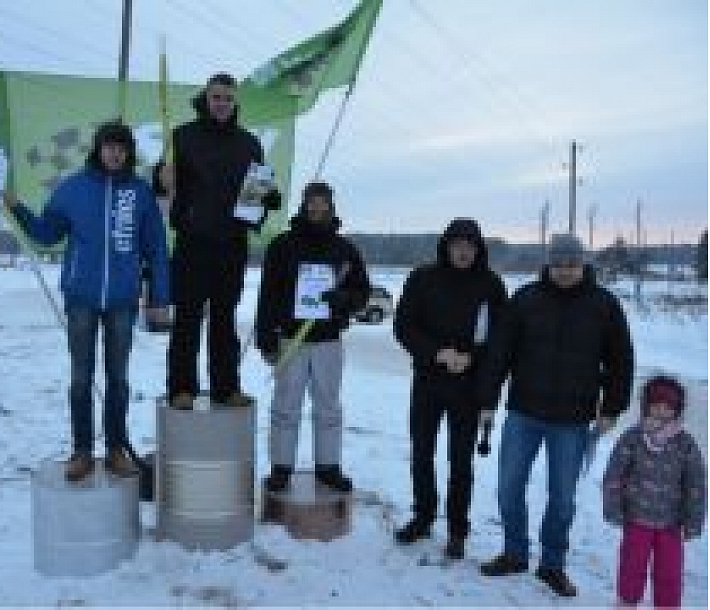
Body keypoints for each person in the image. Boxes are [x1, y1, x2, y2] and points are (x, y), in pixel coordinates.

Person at [3, 121, 171, 482]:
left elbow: (157, 247)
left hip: (123, 300)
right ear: (98, 149)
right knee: (80, 378)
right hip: (81, 297)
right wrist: (17, 208)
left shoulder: (139, 193)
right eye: (109, 146)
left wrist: (160, 295)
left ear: (128, 152)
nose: (115, 153)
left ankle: (115, 450)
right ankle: (81, 451)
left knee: (118, 379)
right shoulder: (73, 188)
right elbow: (46, 233)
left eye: (122, 148)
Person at [477, 233, 634, 597]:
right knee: (508, 488)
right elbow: (499, 353)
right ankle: (514, 553)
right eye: (558, 264)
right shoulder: (525, 299)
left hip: (573, 421)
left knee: (562, 498)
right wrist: (487, 399)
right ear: (548, 264)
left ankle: (552, 564)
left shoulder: (603, 305)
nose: (565, 271)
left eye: (572, 264)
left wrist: (611, 408)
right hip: (523, 413)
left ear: (583, 264)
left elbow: (621, 360)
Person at [159, 72, 281, 409]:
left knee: (225, 319)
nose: (222, 104)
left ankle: (226, 388)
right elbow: (162, 185)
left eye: (228, 98)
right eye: (217, 97)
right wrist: (161, 178)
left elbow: (257, 194)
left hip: (232, 244)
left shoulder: (249, 143)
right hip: (192, 242)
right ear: (206, 98)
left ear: (235, 101)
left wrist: (268, 197)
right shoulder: (182, 136)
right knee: (187, 318)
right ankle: (182, 388)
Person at [392, 218, 507, 559]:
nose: (463, 251)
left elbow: (500, 340)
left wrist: (472, 360)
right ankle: (423, 516)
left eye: (470, 245)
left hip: (468, 388)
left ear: (479, 249)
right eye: (457, 244)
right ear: (446, 246)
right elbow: (403, 327)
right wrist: (438, 353)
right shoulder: (422, 278)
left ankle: (458, 529)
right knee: (421, 453)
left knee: (460, 461)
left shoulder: (491, 284)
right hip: (428, 381)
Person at [256, 181, 370, 492]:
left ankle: (328, 466)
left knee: (328, 407)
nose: (317, 206)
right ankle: (281, 467)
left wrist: (343, 299)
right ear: (304, 204)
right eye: (312, 201)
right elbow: (267, 294)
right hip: (291, 339)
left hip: (328, 341)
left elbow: (361, 293)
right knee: (285, 406)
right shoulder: (282, 246)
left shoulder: (345, 250)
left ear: (331, 206)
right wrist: (266, 337)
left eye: (323, 202)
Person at [602, 374, 706, 608]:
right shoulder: (633, 438)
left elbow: (695, 484)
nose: (661, 411)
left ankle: (667, 604)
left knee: (669, 571)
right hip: (636, 519)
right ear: (646, 406)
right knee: (632, 565)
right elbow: (615, 474)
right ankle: (627, 601)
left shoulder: (685, 443)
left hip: (671, 523)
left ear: (676, 410)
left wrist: (693, 520)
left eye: (668, 407)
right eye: (656, 405)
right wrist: (613, 507)